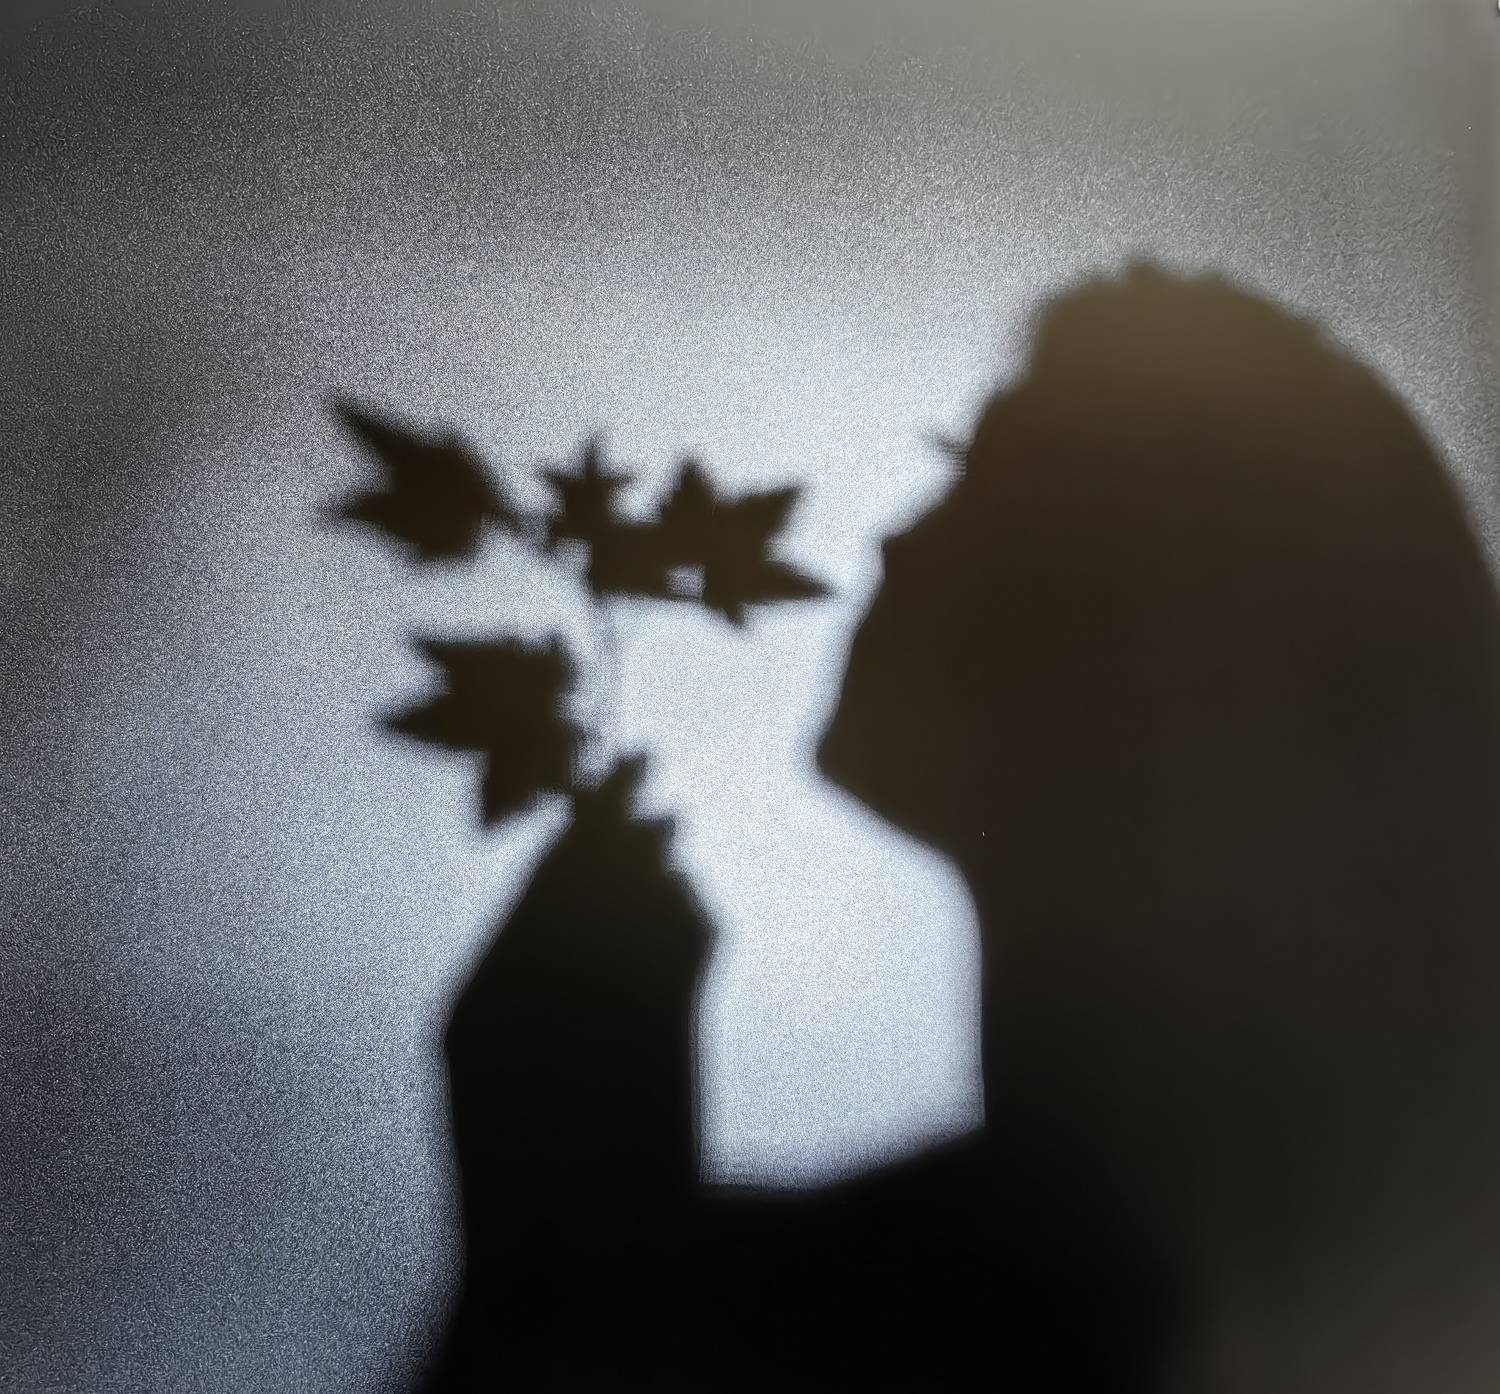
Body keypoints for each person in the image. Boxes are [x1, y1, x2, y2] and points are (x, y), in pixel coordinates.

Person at [428, 266, 1500, 1391]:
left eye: (988, 480)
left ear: (1167, 640)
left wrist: (554, 1248)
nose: (894, 539)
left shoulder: (886, 1319)